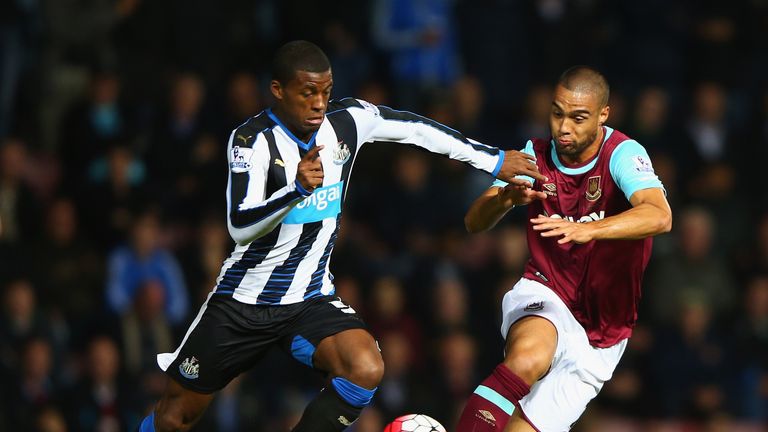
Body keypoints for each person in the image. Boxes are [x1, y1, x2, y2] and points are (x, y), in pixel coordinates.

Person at [138, 40, 544, 432]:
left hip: (309, 298)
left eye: (326, 91)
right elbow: (239, 225)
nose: (319, 102)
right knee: (175, 418)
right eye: (308, 92)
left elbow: (416, 130)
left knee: (365, 367)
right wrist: (294, 189)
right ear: (277, 91)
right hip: (244, 302)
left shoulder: (347, 121)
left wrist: (490, 159)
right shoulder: (252, 140)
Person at [456, 66, 672, 432]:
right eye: (557, 113)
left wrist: (591, 231)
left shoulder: (621, 154)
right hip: (547, 290)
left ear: (604, 115)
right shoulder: (534, 156)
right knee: (528, 357)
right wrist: (506, 199)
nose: (563, 127)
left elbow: (659, 215)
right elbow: (474, 223)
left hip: (605, 334)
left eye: (578, 117)